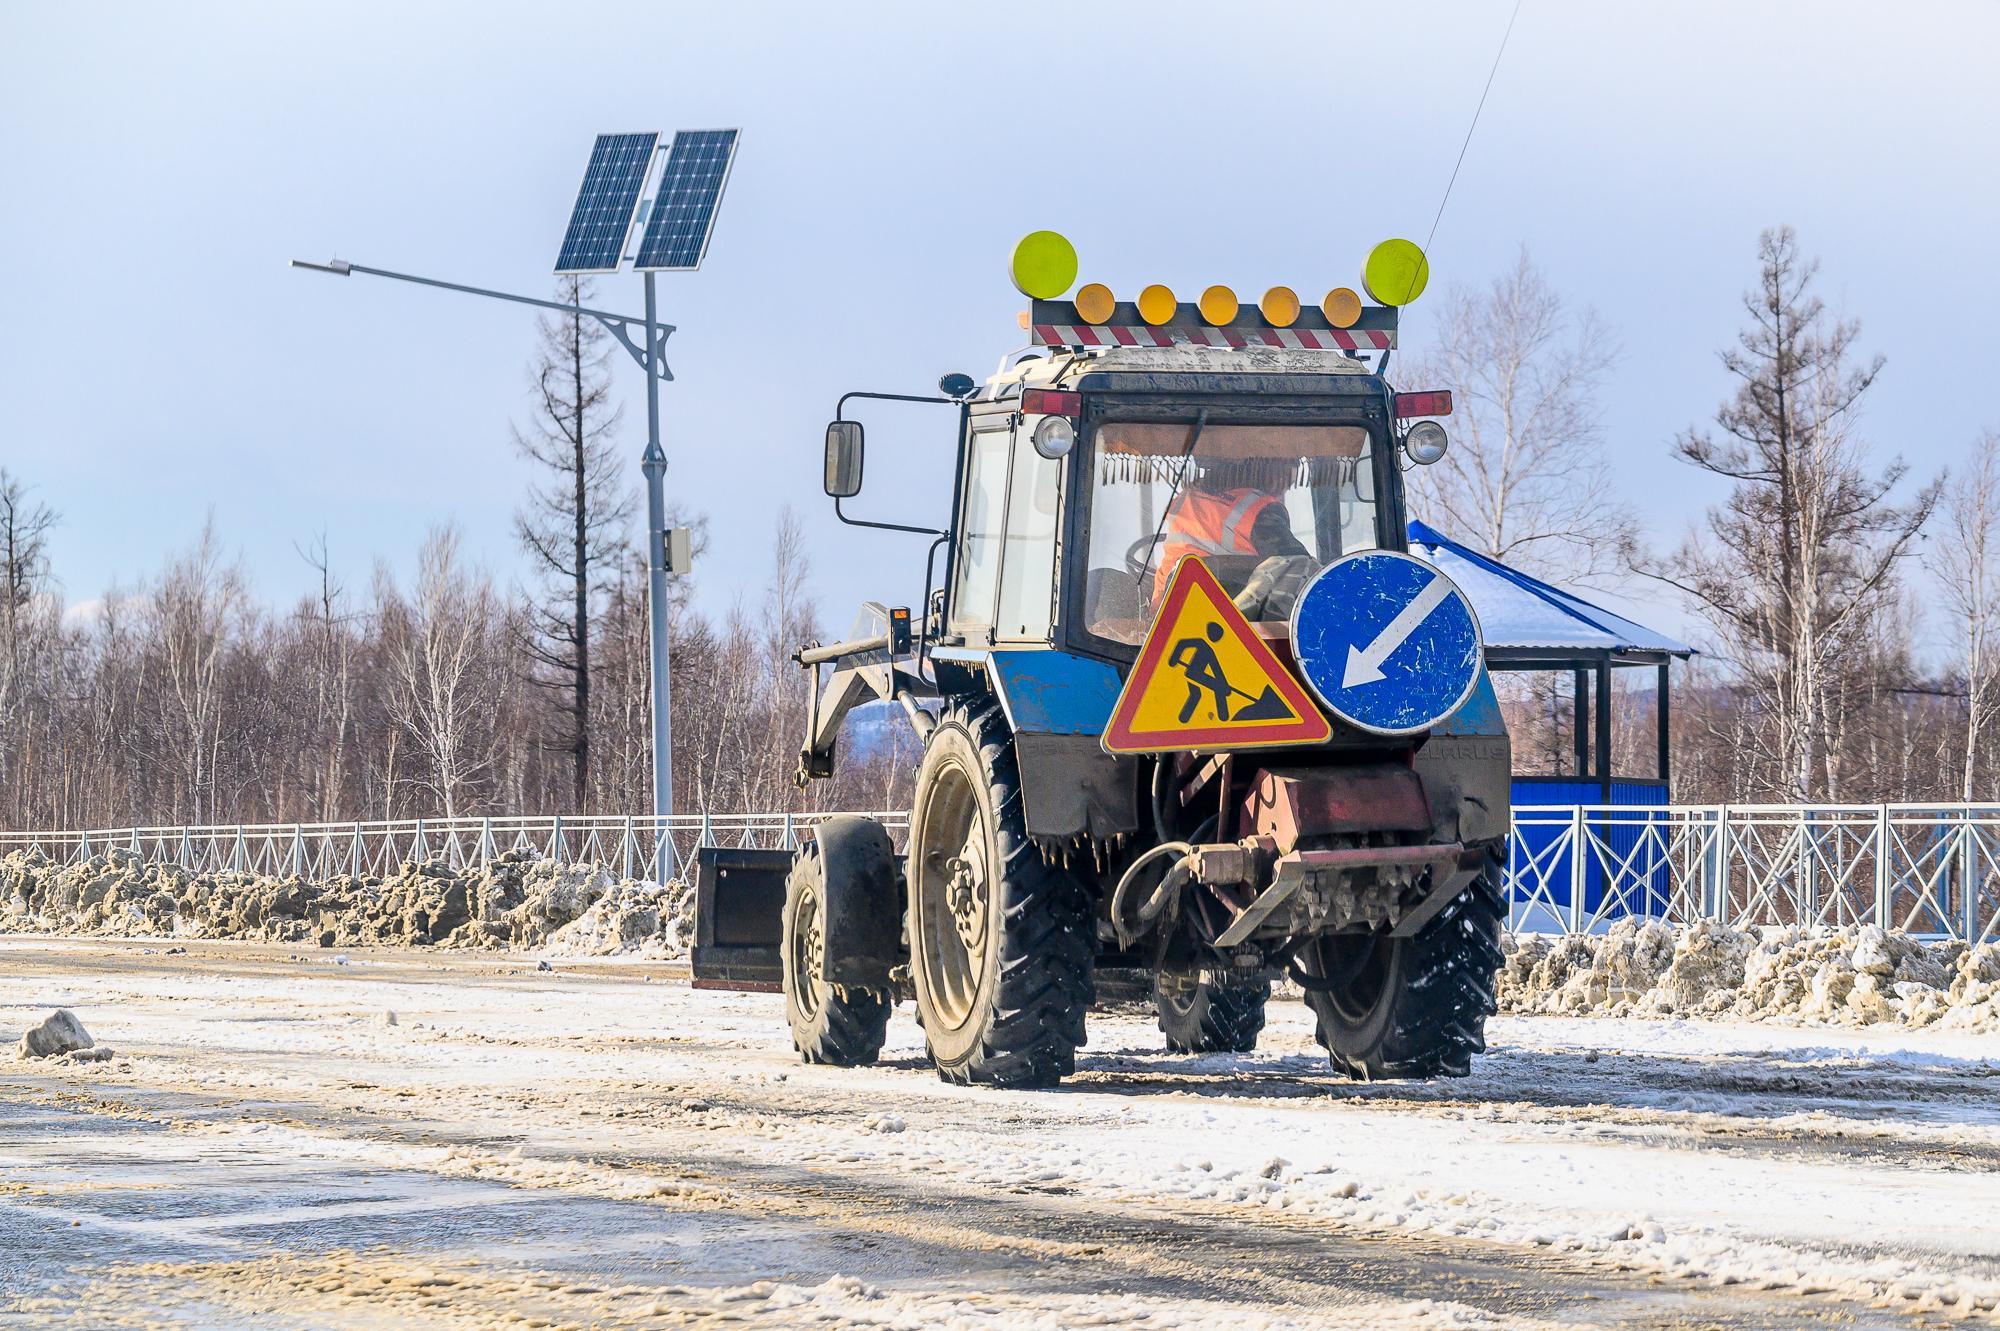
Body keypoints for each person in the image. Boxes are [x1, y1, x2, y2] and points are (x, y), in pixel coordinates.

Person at [1153, 457, 1309, 604]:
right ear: (1260, 466)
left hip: (1165, 611)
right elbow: (1300, 567)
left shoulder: (1188, 497)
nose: (1283, 489)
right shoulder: (1258, 510)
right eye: (1284, 479)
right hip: (1228, 621)